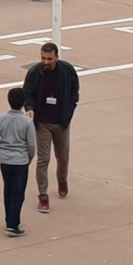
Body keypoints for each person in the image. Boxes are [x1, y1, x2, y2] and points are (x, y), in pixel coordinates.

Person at [22, 42, 80, 213]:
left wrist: (69, 112)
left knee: (63, 157)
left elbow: (74, 92)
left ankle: (62, 180)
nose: (45, 62)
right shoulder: (34, 72)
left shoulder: (67, 71)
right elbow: (28, 93)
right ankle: (43, 195)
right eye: (43, 58)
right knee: (43, 159)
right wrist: (30, 109)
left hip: (61, 121)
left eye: (49, 59)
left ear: (57, 58)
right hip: (42, 123)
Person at [0, 87, 36, 237]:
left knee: (8, 190)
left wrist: (1, 150)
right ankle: (13, 224)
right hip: (20, 160)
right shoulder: (27, 122)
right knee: (18, 192)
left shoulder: (1, 119)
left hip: (5, 159)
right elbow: (31, 144)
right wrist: (29, 157)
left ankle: (9, 218)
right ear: (23, 103)